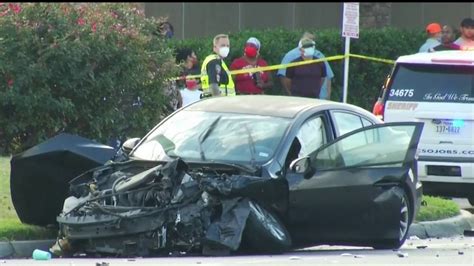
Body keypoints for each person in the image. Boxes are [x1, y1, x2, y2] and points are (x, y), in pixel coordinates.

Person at [277, 32, 334, 100]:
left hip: (316, 99)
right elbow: (286, 80)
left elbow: (324, 78)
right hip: (297, 99)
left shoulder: (320, 61)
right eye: (307, 41)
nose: (310, 42)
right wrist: (291, 94)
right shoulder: (291, 59)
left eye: (312, 40)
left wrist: (326, 95)